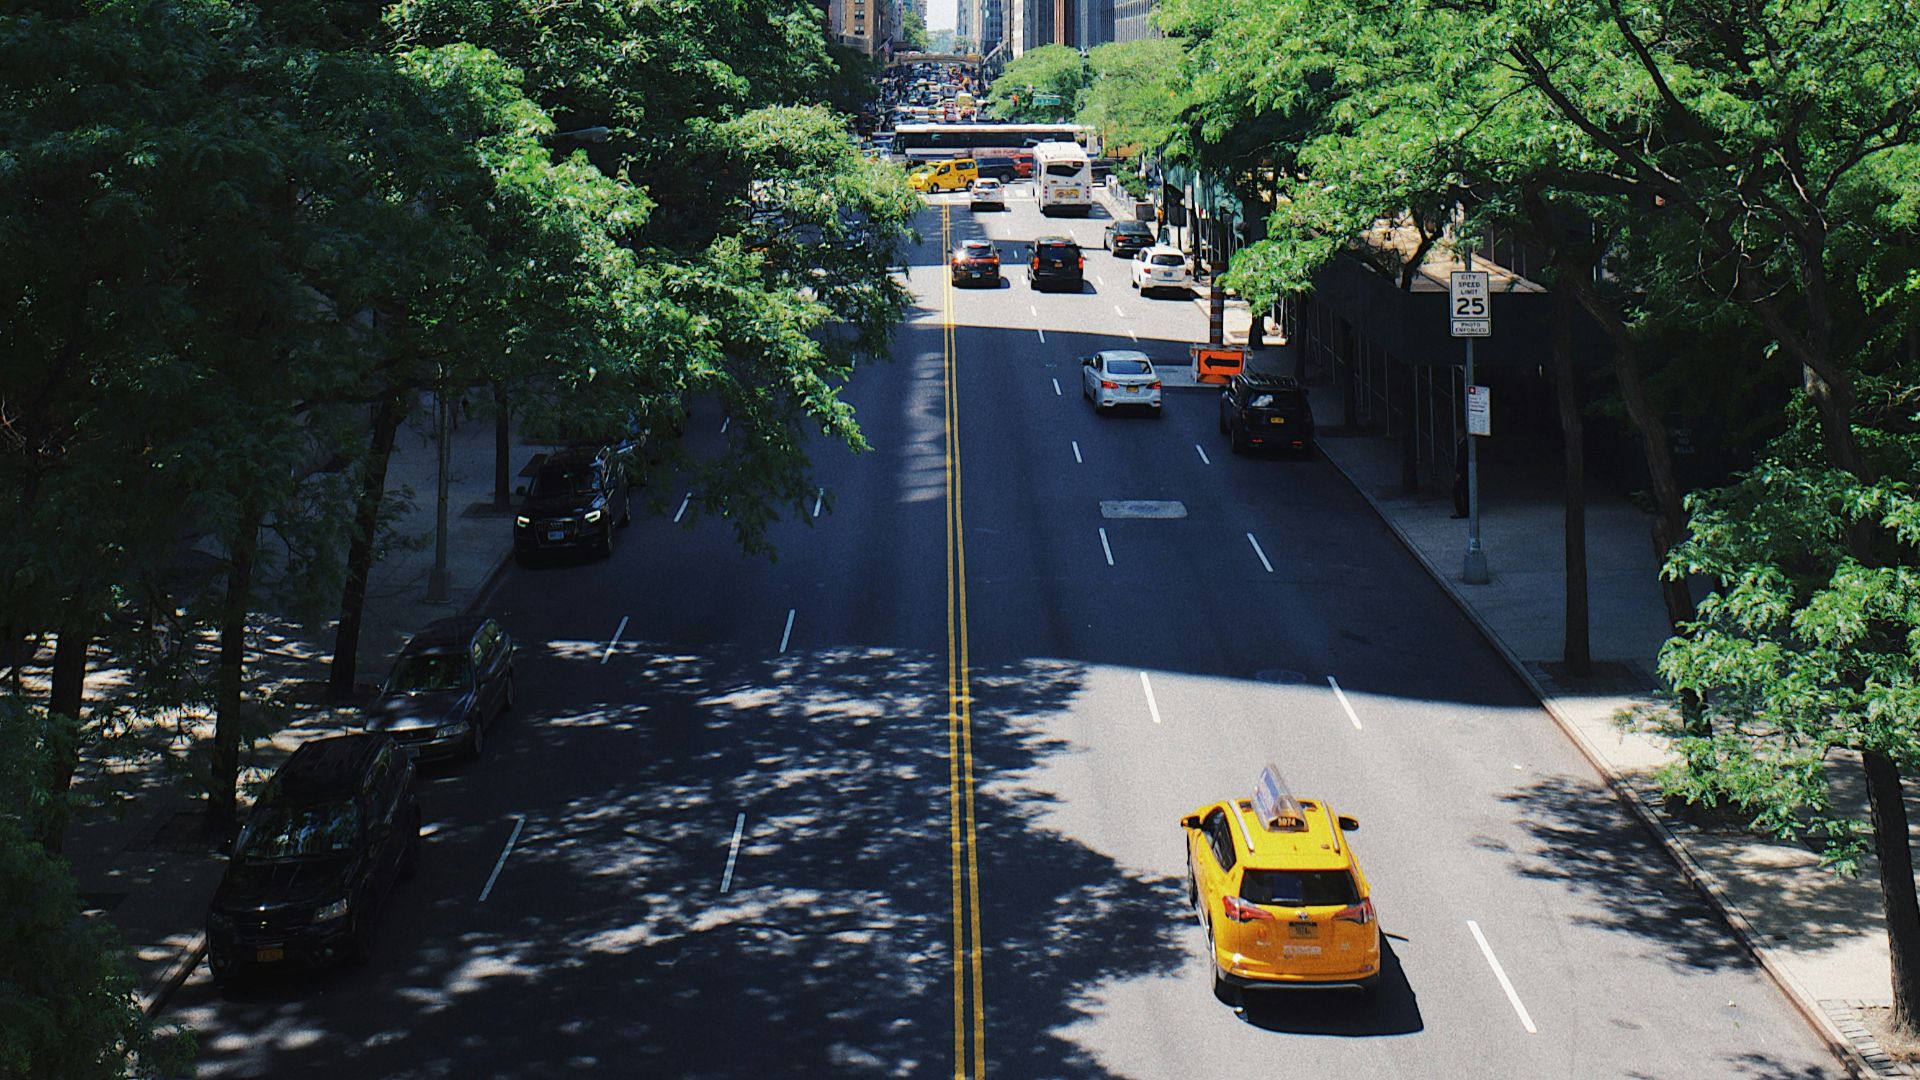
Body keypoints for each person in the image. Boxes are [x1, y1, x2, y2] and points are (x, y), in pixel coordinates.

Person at [1451, 436, 1470, 518]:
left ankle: (1461, 511)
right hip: (1464, 472)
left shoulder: (1464, 444)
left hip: (1462, 472)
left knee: (1457, 490)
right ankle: (1464, 510)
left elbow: (1462, 460)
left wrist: (1459, 472)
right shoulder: (1462, 443)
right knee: (1463, 491)